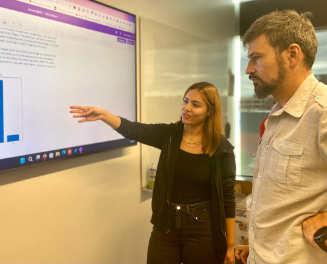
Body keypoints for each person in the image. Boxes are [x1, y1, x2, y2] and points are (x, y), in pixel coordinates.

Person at [70, 82, 236, 264]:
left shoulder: (221, 149)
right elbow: (136, 130)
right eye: (185, 101)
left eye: (195, 105)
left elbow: (228, 198)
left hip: (202, 228)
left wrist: (230, 244)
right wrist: (104, 115)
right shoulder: (170, 135)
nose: (187, 108)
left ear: (210, 111)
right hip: (165, 225)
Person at [234, 10, 327, 264]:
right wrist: (260, 244)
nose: (249, 69)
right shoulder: (277, 115)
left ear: (292, 55)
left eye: (256, 58)